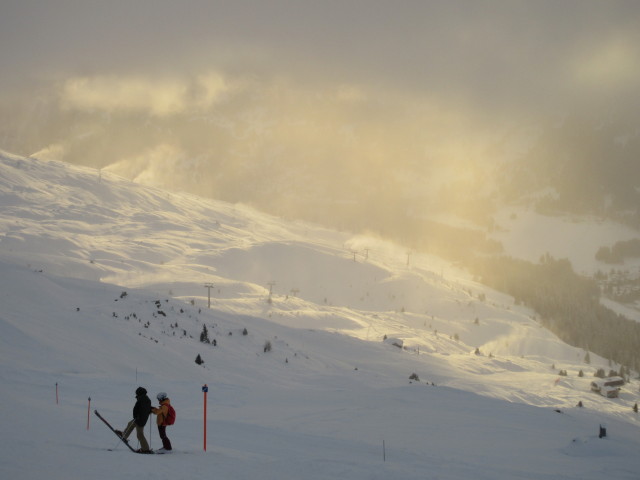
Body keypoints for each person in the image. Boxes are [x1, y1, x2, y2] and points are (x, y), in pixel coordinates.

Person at [115, 386, 152, 453]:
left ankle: (145, 449)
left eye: (137, 393)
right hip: (143, 418)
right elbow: (148, 409)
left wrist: (136, 416)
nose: (136, 394)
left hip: (139, 419)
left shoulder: (141, 399)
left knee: (140, 434)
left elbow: (136, 409)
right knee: (130, 424)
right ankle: (124, 435)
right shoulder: (147, 399)